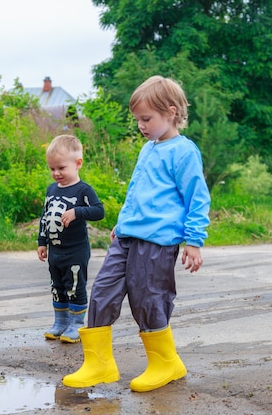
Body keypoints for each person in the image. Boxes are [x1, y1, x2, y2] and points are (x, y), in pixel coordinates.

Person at [62, 76, 211, 392]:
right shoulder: (147, 148)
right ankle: (99, 365)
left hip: (158, 242)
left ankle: (165, 363)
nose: (141, 125)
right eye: (138, 120)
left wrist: (194, 240)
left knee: (148, 298)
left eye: (147, 119)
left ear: (170, 112)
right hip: (127, 236)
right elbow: (137, 190)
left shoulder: (183, 152)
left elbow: (197, 197)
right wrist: (123, 221)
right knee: (102, 291)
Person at [38, 134, 105, 343]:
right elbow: (45, 216)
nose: (56, 173)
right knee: (57, 285)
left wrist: (77, 212)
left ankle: (76, 324)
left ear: (78, 164)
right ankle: (60, 322)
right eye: (52, 169)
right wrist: (42, 242)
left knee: (74, 285)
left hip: (75, 250)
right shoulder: (51, 190)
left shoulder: (83, 190)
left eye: (61, 168)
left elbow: (98, 211)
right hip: (56, 251)